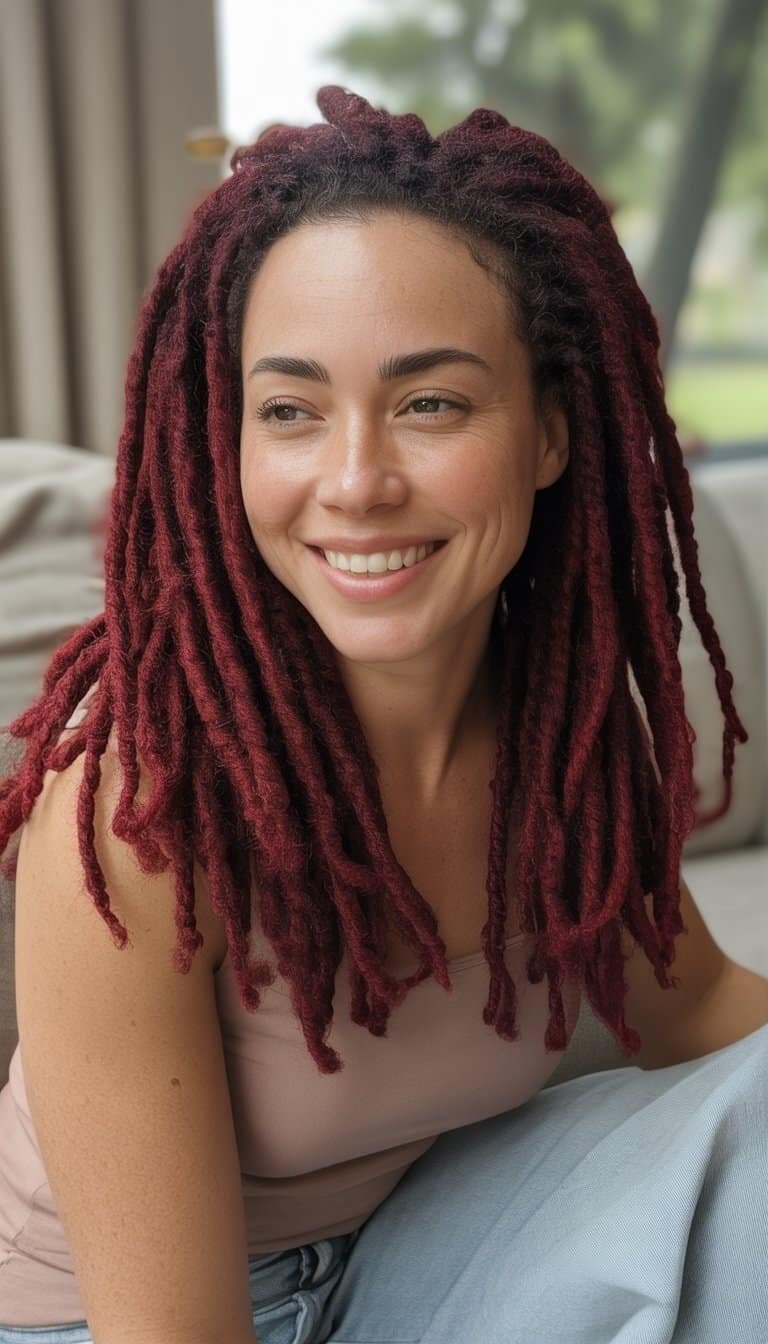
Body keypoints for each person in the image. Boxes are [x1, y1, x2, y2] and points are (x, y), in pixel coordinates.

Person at [0, 85, 765, 1344]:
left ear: (551, 435)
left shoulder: (562, 747)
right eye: (290, 410)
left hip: (410, 1252)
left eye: (431, 403)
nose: (356, 482)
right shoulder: (136, 806)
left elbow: (699, 1015)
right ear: (224, 440)